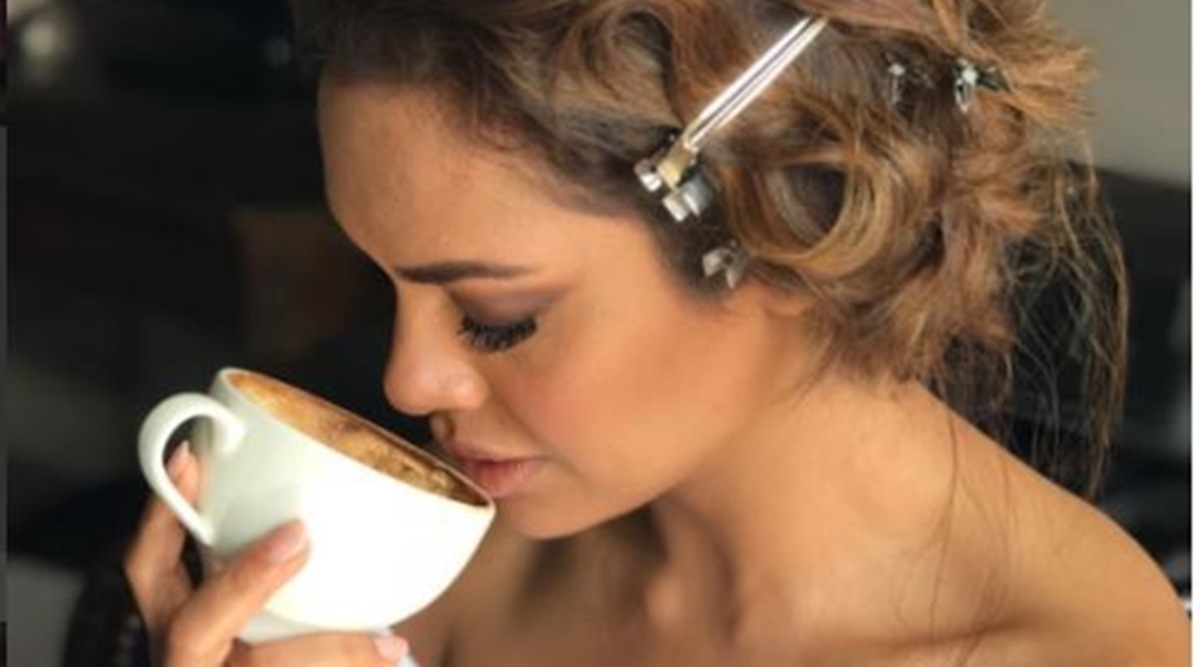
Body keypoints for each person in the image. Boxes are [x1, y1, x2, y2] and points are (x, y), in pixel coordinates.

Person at [123, 0, 1191, 665]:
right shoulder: (415, 582)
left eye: (497, 318)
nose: (406, 383)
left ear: (797, 225)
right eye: (383, 283)